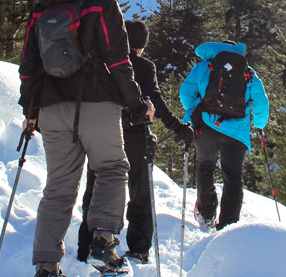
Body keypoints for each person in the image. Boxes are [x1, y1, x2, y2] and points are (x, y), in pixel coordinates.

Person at [19, 0, 152, 277]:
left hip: (51, 106)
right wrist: (135, 102)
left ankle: (46, 271)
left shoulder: (42, 7)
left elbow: (29, 66)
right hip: (96, 102)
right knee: (111, 168)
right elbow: (118, 58)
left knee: (59, 186)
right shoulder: (101, 1)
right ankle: (104, 242)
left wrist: (30, 112)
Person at [77, 20, 196, 264]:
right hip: (134, 133)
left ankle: (86, 245)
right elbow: (156, 103)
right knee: (139, 192)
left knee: (96, 186)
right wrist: (179, 128)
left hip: (101, 131)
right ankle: (139, 248)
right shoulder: (143, 66)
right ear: (141, 44)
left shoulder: (103, 63)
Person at [180, 40, 269, 230]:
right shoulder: (248, 72)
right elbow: (261, 101)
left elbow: (186, 93)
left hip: (207, 126)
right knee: (233, 177)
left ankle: (206, 213)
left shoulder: (203, 67)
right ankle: (229, 224)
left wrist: (194, 109)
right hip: (236, 131)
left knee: (205, 167)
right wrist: (259, 124)